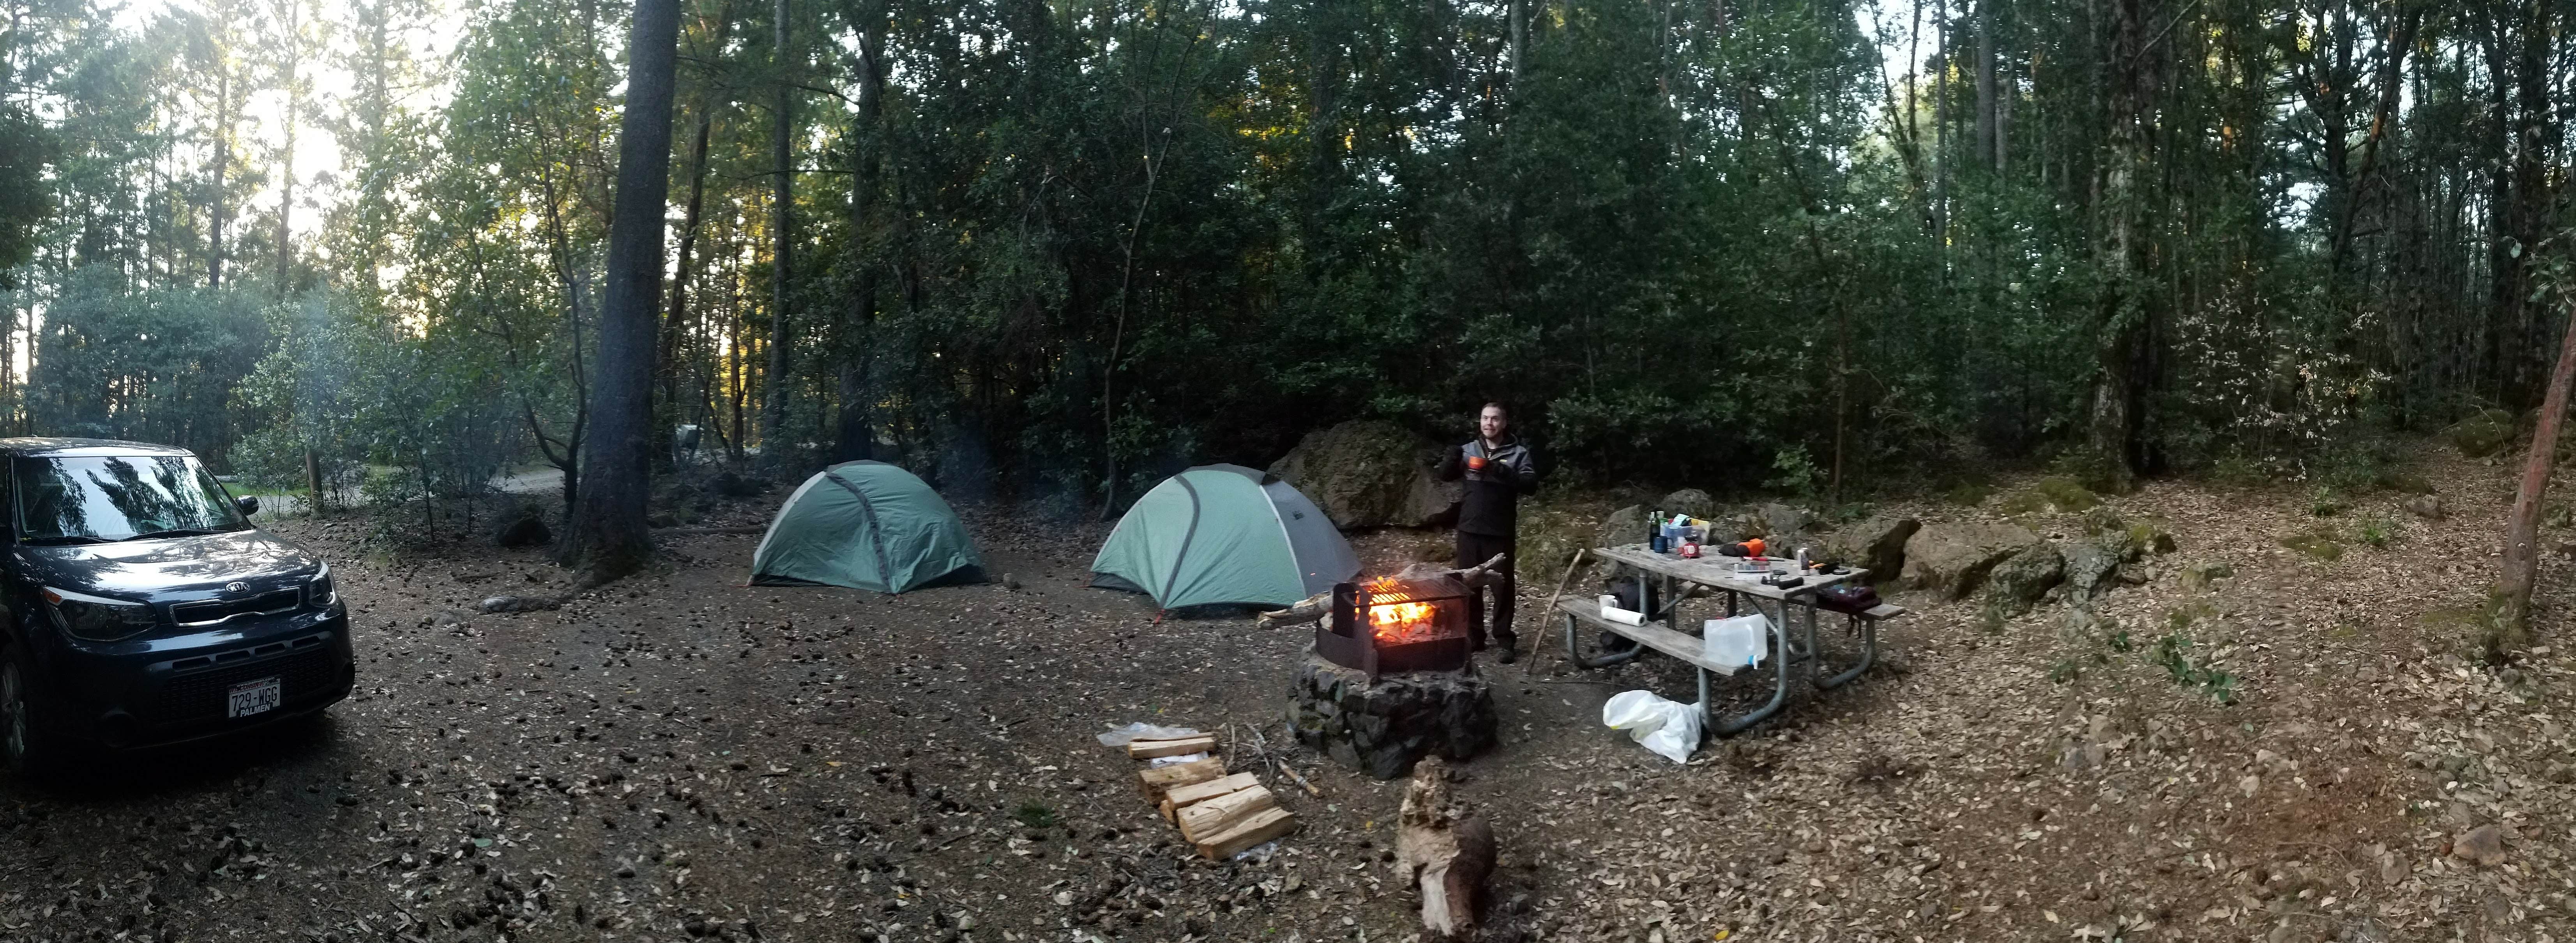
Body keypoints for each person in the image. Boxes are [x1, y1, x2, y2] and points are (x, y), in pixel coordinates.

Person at [1436, 403, 1539, 662]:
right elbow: (1445, 476)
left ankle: (1504, 639)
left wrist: (1499, 470)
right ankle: (1475, 637)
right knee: (1469, 584)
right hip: (1469, 528)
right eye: (1485, 418)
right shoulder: (1469, 450)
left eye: (1494, 419)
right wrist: (1450, 459)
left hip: (1500, 530)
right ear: (1480, 421)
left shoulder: (1518, 453)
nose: (1489, 424)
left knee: (1502, 588)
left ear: (1504, 423)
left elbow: (1530, 485)